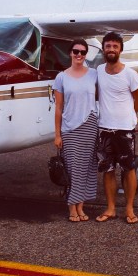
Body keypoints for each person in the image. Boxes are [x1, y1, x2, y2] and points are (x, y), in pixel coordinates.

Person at [95, 32, 138, 224]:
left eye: (115, 46)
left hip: (124, 130)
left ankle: (129, 209)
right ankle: (111, 208)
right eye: (108, 46)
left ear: (120, 50)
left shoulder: (130, 74)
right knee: (108, 170)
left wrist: (129, 116)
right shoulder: (98, 70)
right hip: (105, 129)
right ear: (103, 49)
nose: (111, 50)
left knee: (128, 169)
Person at [53, 39, 99, 222]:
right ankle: (72, 207)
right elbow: (58, 107)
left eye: (82, 52)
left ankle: (81, 206)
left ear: (86, 55)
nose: (79, 55)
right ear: (70, 53)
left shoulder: (94, 74)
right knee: (72, 169)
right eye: (76, 51)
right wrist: (57, 134)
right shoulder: (61, 77)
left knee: (86, 168)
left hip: (89, 125)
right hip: (70, 128)